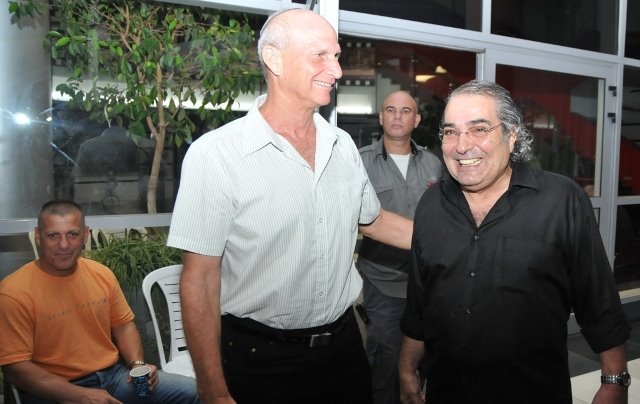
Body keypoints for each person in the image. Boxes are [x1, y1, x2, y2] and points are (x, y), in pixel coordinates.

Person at [167, 8, 413, 404]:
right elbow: (199, 280)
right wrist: (212, 388)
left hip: (344, 350)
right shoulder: (216, 155)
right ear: (274, 59)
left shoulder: (342, 146)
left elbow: (374, 220)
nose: (337, 70)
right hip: (259, 360)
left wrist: (453, 237)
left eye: (336, 56)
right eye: (321, 55)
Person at [398, 79, 631, 404]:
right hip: (447, 391)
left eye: (479, 129)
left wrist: (615, 381)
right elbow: (419, 304)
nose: (462, 146)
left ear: (511, 135)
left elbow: (597, 299)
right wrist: (407, 369)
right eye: (451, 132)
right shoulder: (431, 204)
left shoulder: (561, 200)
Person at [0, 199, 199, 404]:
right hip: (54, 389)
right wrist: (81, 395)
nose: (64, 245)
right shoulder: (14, 292)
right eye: (53, 235)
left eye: (73, 234)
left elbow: (124, 327)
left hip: (113, 377)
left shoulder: (101, 274)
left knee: (196, 392)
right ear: (38, 236)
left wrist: (138, 365)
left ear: (85, 235)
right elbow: (15, 369)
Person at [357, 90, 442, 404]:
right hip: (383, 283)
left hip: (428, 284)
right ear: (381, 117)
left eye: (405, 111)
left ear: (416, 120)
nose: (397, 116)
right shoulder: (360, 161)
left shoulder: (434, 164)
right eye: (390, 110)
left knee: (426, 358)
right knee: (385, 360)